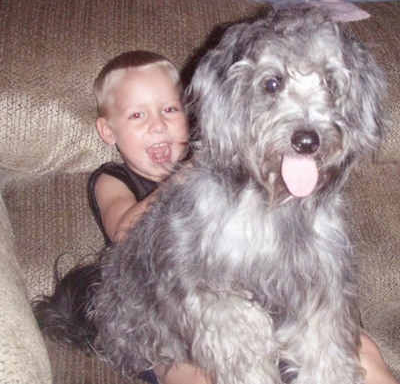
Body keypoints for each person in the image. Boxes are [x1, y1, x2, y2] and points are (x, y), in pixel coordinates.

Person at [90, 50, 398, 384]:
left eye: (170, 109)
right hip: (166, 326)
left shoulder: (243, 170)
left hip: (268, 312)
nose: (157, 124)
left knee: (361, 349)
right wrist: (188, 172)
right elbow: (124, 230)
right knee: (195, 375)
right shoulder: (113, 179)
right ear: (108, 132)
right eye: (137, 115)